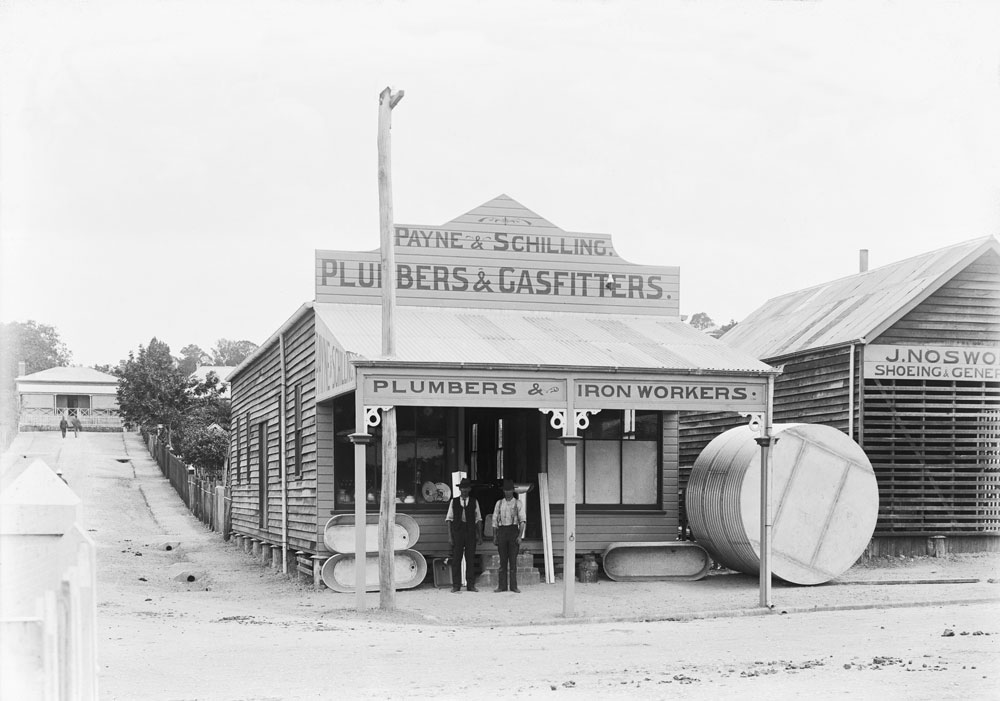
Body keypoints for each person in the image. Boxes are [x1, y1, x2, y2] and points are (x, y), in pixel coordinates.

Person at [445, 477, 482, 592]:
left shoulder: (474, 501)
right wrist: (450, 536)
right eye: (462, 488)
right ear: (460, 489)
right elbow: (449, 519)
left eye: (466, 488)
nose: (464, 490)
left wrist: (479, 536)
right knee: (456, 559)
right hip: (458, 532)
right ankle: (456, 585)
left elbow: (478, 519)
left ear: (469, 489)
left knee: (470, 559)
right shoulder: (454, 501)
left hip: (470, 532)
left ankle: (470, 585)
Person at [492, 479, 527, 593]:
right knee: (502, 561)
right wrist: (495, 536)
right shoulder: (499, 503)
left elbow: (522, 521)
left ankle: (513, 586)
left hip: (513, 531)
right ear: (503, 491)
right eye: (506, 490)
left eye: (509, 490)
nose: (507, 492)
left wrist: (520, 536)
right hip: (502, 532)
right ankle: (502, 586)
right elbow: (494, 521)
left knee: (513, 561)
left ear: (513, 490)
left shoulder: (518, 503)